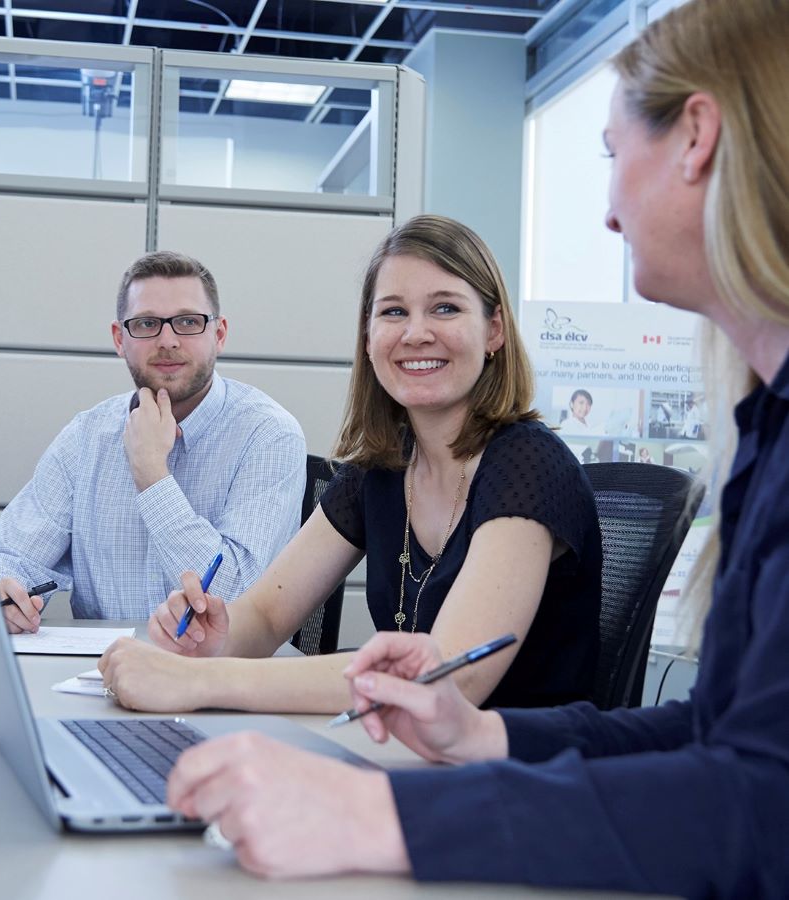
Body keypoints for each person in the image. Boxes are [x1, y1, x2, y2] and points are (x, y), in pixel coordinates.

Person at [158, 0, 789, 894]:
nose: (608, 214)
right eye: (393, 312)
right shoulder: (767, 433)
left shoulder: (533, 463)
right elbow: (713, 732)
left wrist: (375, 811)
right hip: (523, 811)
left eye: (612, 158)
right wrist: (482, 739)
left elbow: (762, 804)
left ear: (696, 137)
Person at [98, 215, 602, 714]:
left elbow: (447, 676)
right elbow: (269, 613)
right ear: (368, 337)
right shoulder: (380, 467)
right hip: (406, 759)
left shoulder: (529, 463)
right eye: (393, 312)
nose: (416, 333)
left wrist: (204, 680)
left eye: (445, 308)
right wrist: (215, 638)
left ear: (494, 330)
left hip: (517, 777)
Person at [0, 251, 306, 632]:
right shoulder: (86, 437)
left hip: (218, 679)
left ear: (218, 334)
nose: (168, 340)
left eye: (188, 322)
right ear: (119, 339)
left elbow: (235, 596)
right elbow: (10, 556)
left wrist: (152, 473)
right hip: (103, 672)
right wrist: (5, 592)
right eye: (146, 324)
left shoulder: (268, 435)